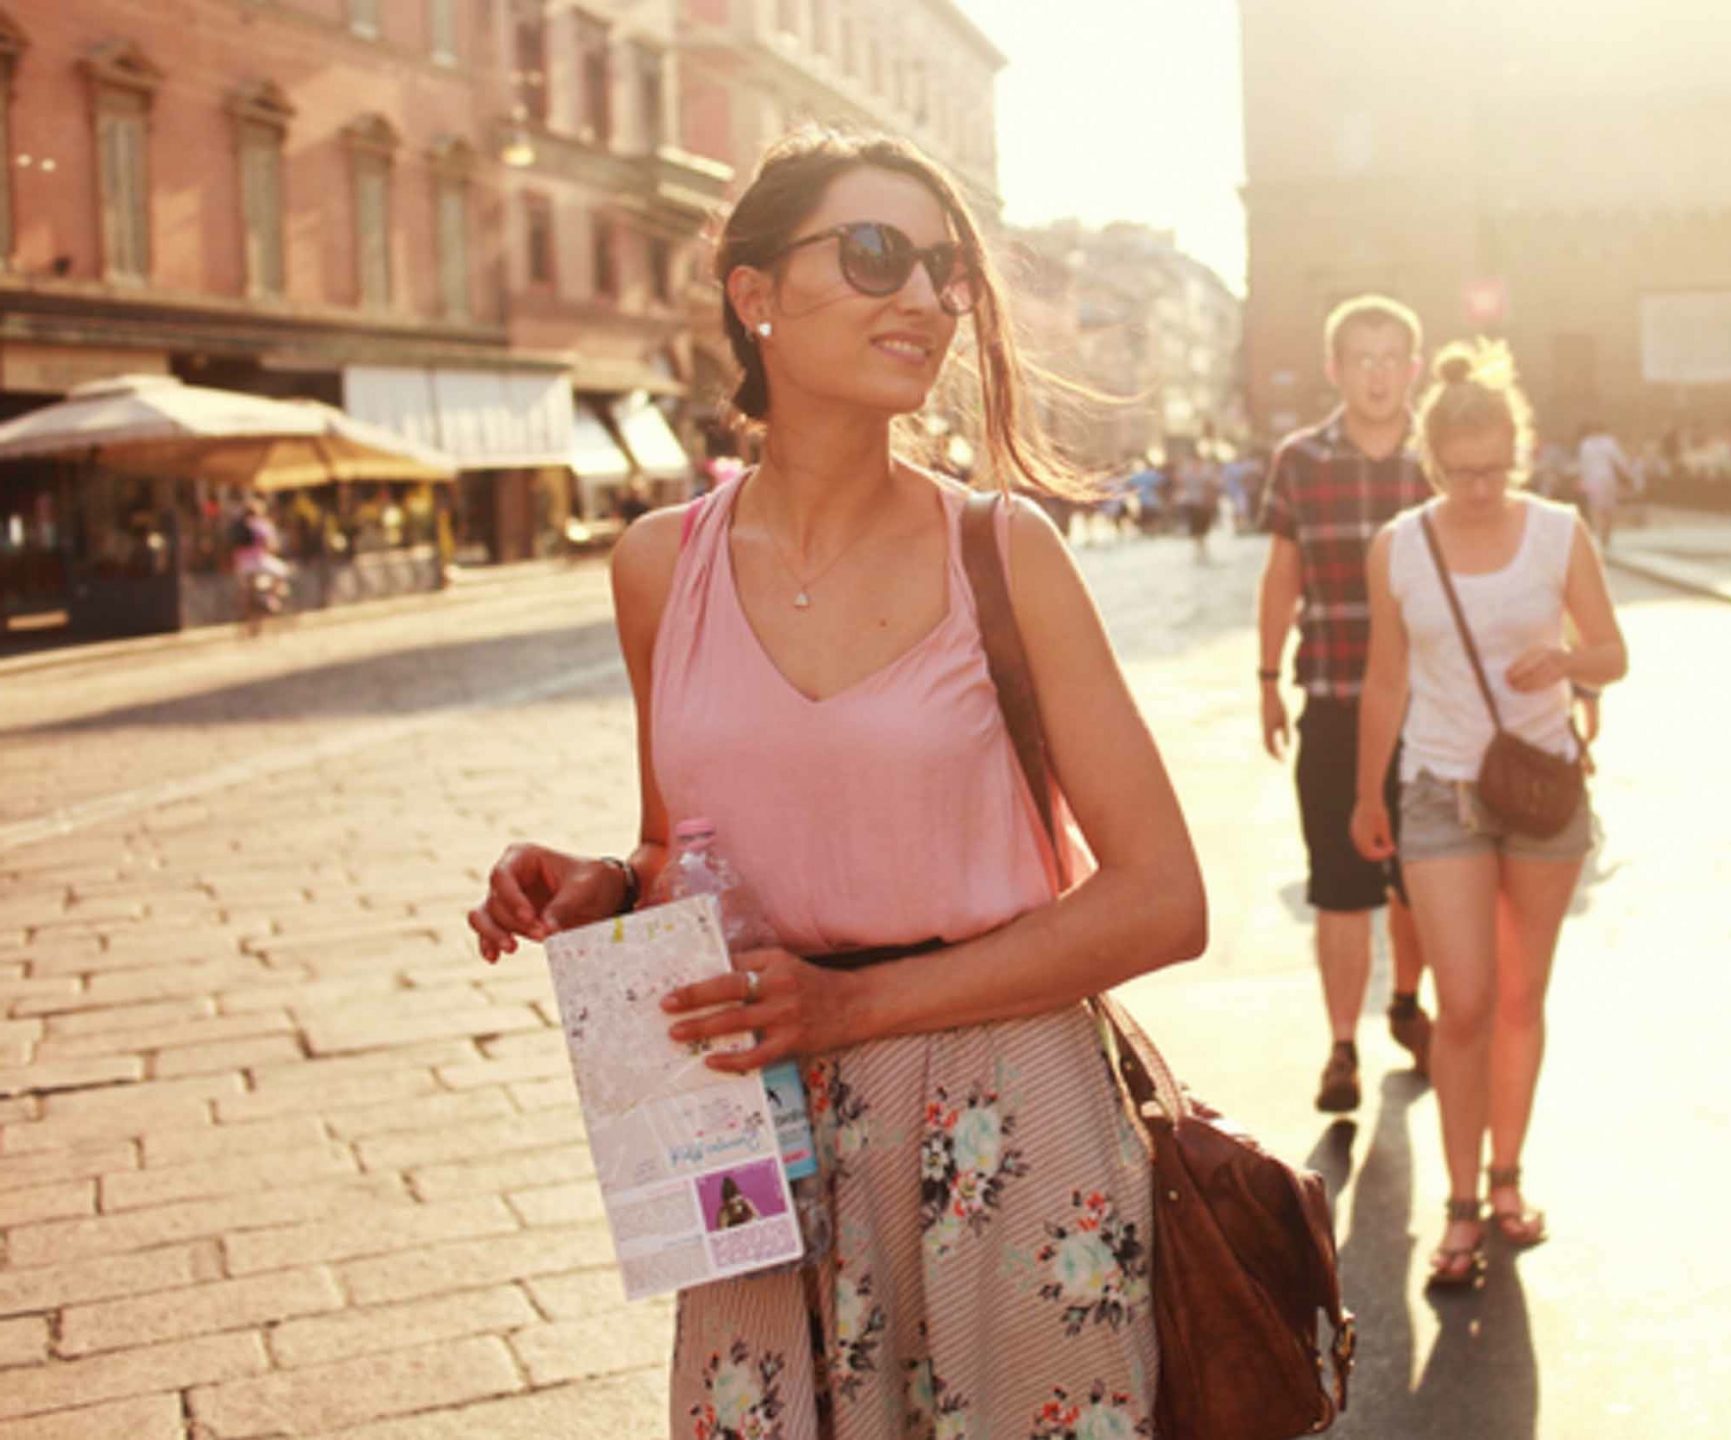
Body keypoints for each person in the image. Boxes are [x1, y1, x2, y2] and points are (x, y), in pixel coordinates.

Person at [464, 128, 1208, 1436]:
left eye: (945, 269)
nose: (924, 297)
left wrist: (854, 1014)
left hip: (1007, 1129)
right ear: (755, 296)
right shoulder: (654, 566)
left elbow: (1162, 900)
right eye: (875, 255)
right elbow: (680, 847)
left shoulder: (1003, 549)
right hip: (752, 1141)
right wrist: (604, 890)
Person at [1349, 339, 1626, 1289]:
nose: (1479, 488)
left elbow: (1613, 653)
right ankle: (1460, 1206)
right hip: (1436, 790)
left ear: (1519, 451)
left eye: (1495, 469)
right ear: (1432, 465)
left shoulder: (1558, 532)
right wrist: (1364, 794)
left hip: (1542, 785)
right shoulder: (1400, 547)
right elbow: (1384, 680)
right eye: (1460, 473)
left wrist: (1567, 663)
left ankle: (1508, 1178)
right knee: (1461, 1001)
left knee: (1518, 997)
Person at [1258, 294, 1438, 1113]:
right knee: (1339, 884)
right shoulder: (1302, 460)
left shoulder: (1440, 458)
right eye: (1359, 359)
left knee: (1422, 883)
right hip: (1333, 699)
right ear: (1336, 369)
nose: (1375, 374)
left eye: (1389, 357)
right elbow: (1282, 576)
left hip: (1434, 713)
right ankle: (1341, 1049)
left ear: (1414, 366)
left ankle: (1405, 1000)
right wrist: (1267, 679)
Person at [229, 495, 288, 635]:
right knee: (282, 571)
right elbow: (271, 545)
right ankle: (271, 597)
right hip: (259, 562)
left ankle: (243, 611)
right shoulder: (262, 525)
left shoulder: (238, 525)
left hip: (241, 564)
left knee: (245, 590)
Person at [1574, 422, 1633, 549]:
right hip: (1608, 478)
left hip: (1592, 479)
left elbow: (1583, 465)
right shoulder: (1609, 442)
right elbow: (1619, 460)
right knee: (1609, 507)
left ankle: (1601, 533)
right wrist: (1628, 474)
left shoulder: (1586, 444)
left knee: (1596, 508)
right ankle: (1606, 533)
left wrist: (1582, 480)